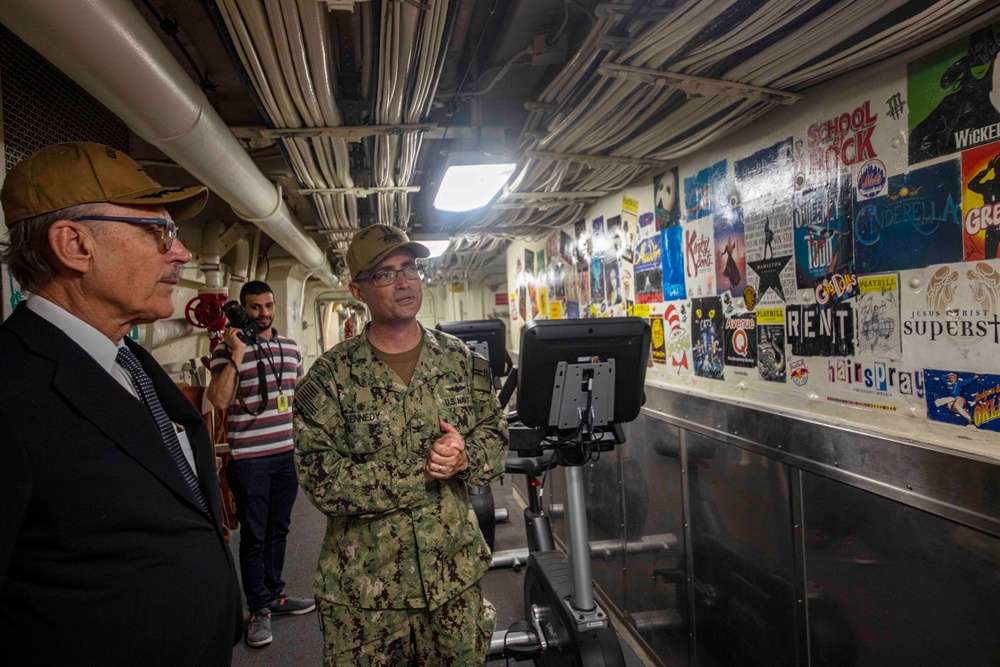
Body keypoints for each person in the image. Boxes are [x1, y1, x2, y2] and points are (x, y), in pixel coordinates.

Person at [0, 141, 242, 665]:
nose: (179, 252)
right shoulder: (9, 388)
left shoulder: (128, 357)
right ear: (75, 245)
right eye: (158, 233)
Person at [293, 224, 508, 666]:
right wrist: (419, 472)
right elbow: (321, 480)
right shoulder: (330, 379)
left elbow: (495, 436)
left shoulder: (464, 364)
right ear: (358, 290)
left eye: (410, 268)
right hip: (366, 594)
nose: (405, 281)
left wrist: (465, 456)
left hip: (453, 579)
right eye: (386, 274)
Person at [207, 281, 315, 647]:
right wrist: (237, 352)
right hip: (250, 459)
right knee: (253, 536)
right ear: (243, 309)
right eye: (255, 307)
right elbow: (220, 401)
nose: (264, 313)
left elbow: (299, 396)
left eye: (269, 305)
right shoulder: (227, 351)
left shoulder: (289, 348)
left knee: (278, 530)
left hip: (286, 455)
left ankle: (275, 595)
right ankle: (257, 609)